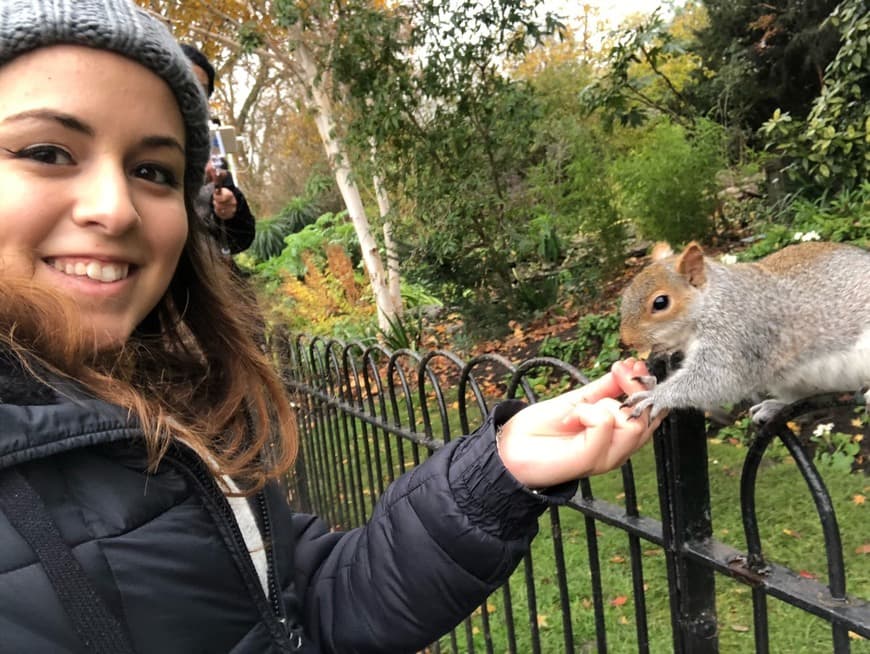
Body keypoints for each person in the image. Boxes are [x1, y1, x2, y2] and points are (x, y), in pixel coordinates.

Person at [0, 1, 660, 653]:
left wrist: (497, 469)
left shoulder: (166, 412)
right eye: (47, 152)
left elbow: (291, 612)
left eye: (153, 172)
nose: (116, 210)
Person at [180, 42, 255, 256]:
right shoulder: (130, 140)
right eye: (184, 84)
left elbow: (241, 239)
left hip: (207, 278)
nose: (192, 98)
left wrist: (231, 211)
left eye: (201, 92)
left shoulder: (213, 156)